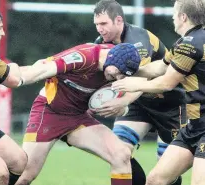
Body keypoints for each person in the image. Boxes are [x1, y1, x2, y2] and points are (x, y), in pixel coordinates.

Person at [111, 0, 205, 185]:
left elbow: (166, 82)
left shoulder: (191, 44)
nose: (172, 17)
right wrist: (132, 70)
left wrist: (132, 84)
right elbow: (161, 67)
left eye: (174, 12)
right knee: (156, 180)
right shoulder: (185, 42)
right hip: (193, 128)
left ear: (183, 16)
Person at [14, 42, 142, 185]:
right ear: (111, 58)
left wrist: (123, 102)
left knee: (121, 155)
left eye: (123, 76)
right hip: (49, 112)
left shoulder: (121, 64)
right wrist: (17, 79)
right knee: (25, 175)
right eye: (118, 72)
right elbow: (44, 68)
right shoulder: (84, 57)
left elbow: (145, 78)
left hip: (78, 117)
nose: (118, 78)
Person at [92, 0, 186, 185]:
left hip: (170, 105)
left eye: (103, 23)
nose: (99, 29)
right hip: (139, 104)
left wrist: (121, 102)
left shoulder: (138, 41)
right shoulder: (101, 43)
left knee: (166, 170)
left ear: (118, 20)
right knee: (118, 153)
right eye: (96, 24)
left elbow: (141, 80)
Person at [0, 6, 59, 185]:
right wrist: (30, 69)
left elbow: (10, 74)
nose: (3, 33)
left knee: (18, 161)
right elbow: (14, 79)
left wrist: (38, 68)